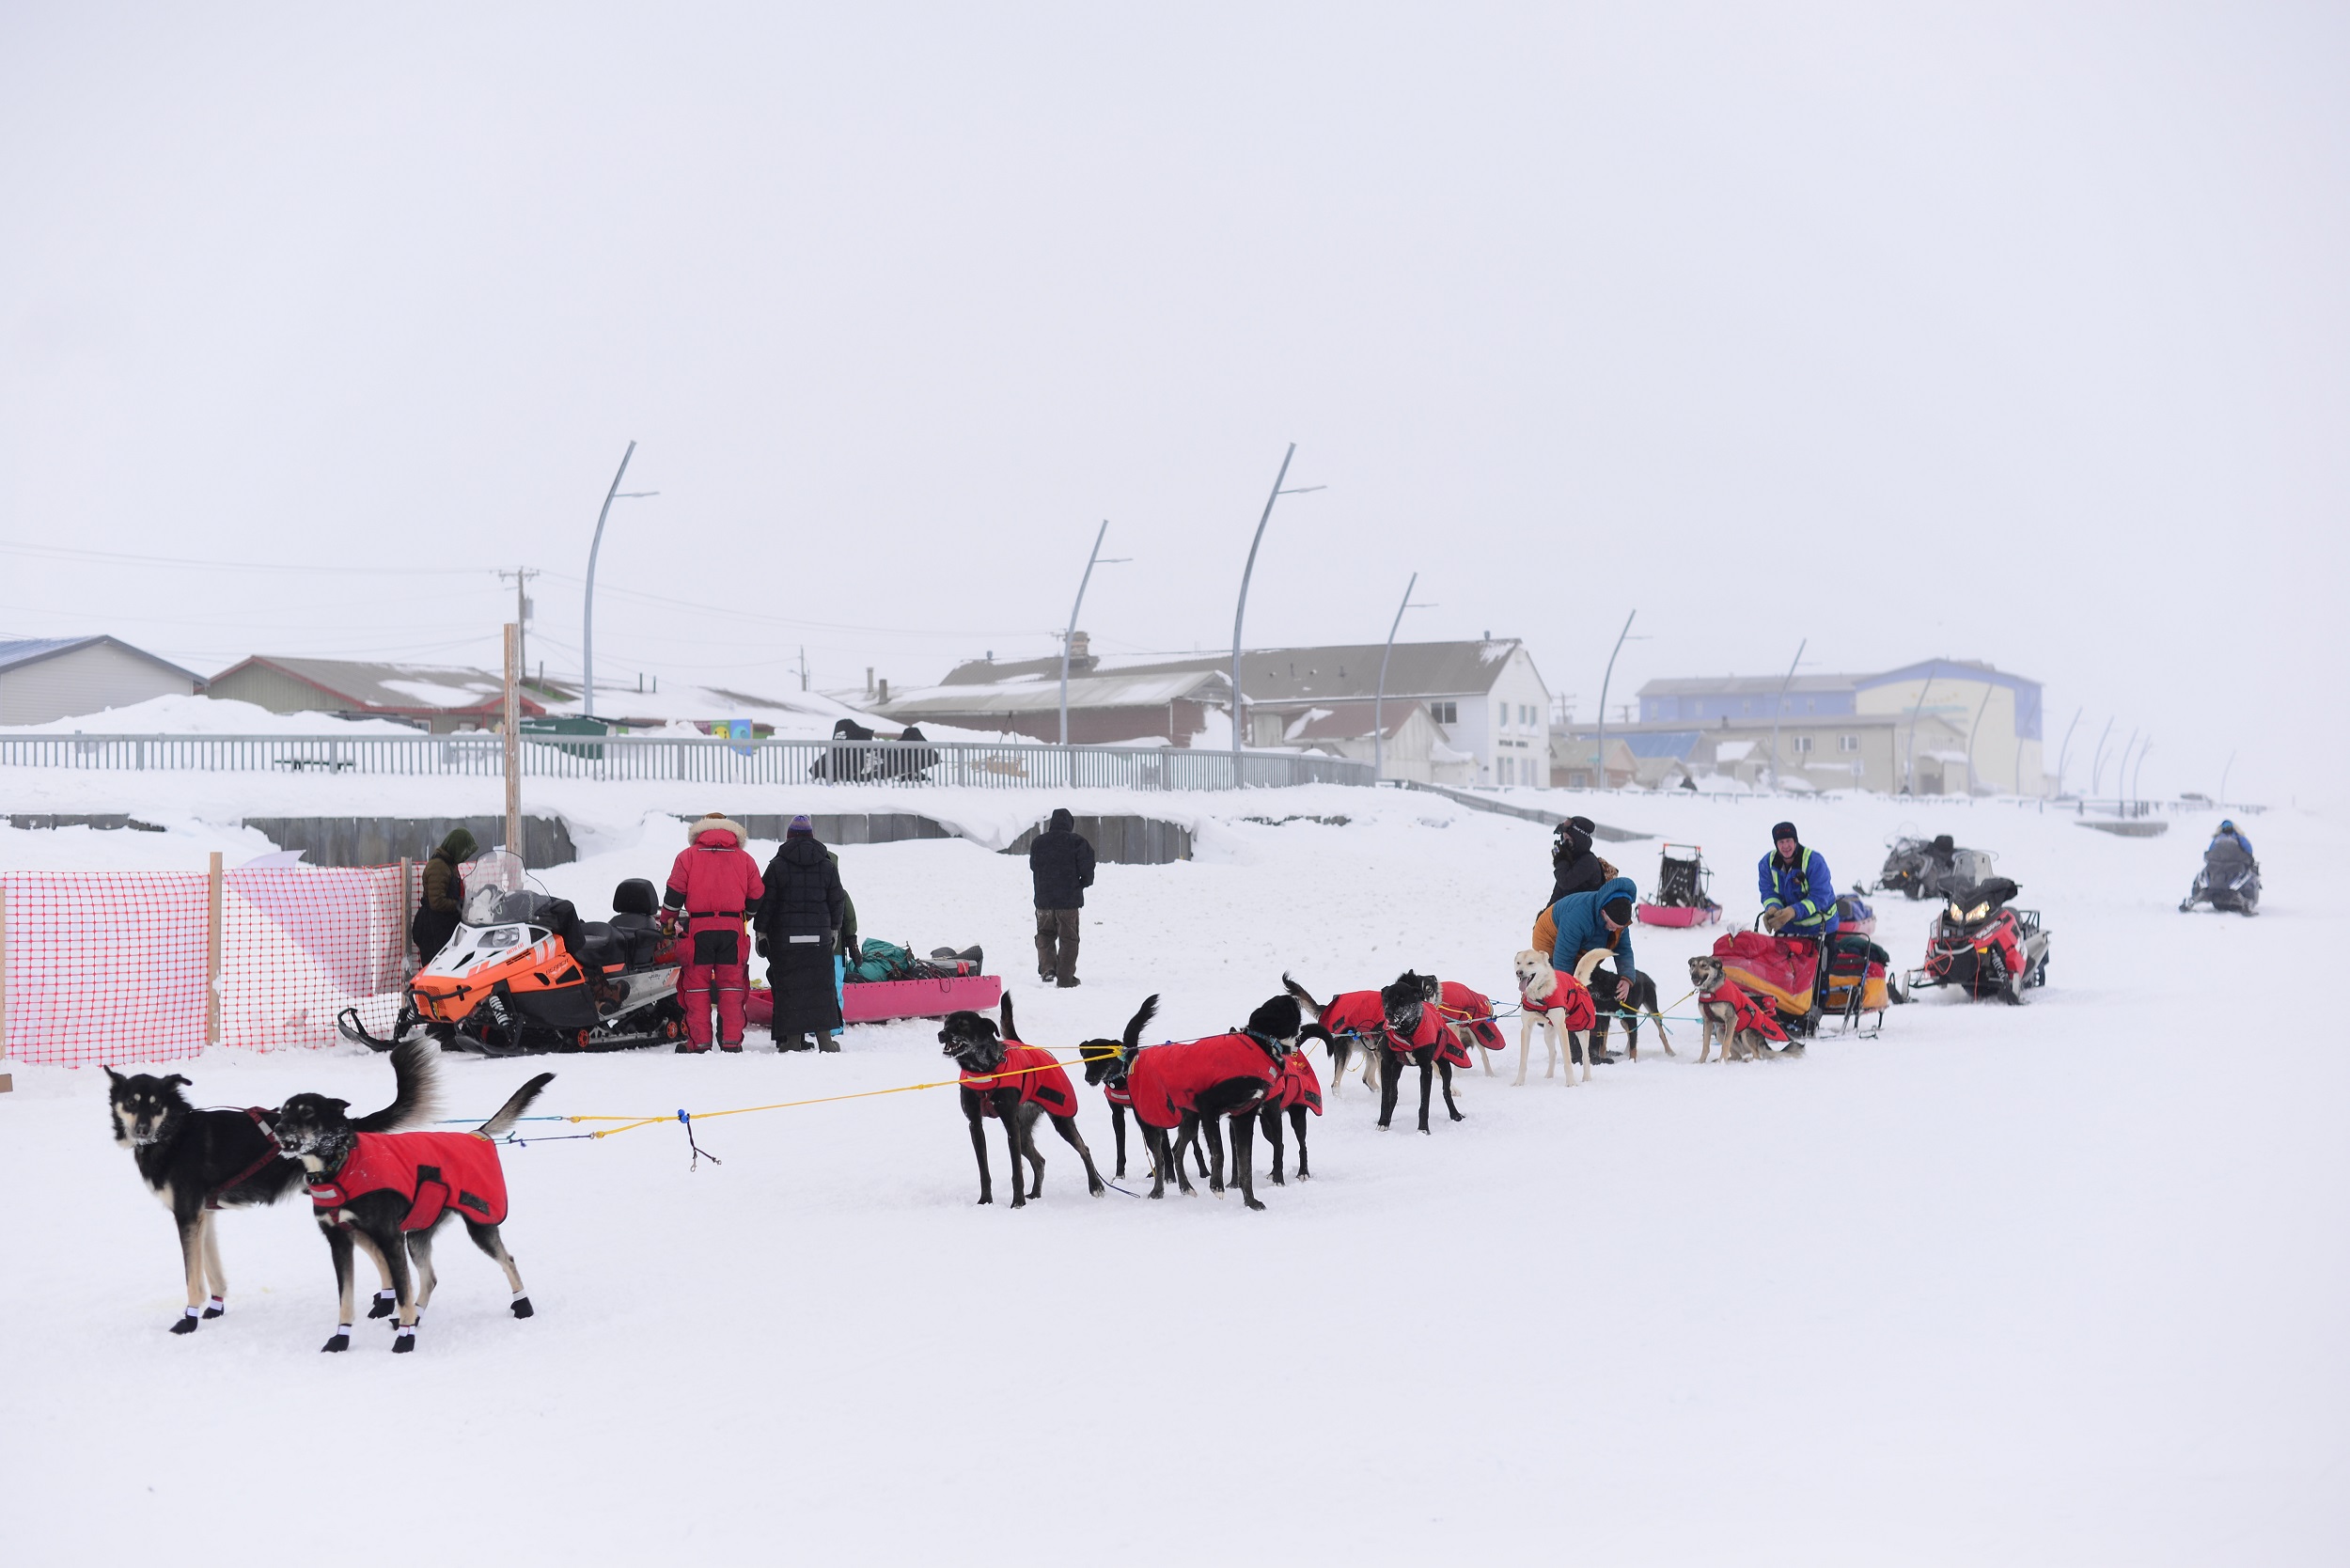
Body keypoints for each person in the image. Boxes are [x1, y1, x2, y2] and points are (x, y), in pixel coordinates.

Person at [663, 812, 766, 1055]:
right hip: (732, 930)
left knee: (696, 988)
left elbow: (673, 898)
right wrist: (746, 915)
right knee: (732, 987)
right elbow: (757, 895)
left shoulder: (687, 857)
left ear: (700, 832)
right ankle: (731, 1042)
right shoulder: (745, 859)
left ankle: (699, 1043)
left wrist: (668, 928)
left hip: (699, 930)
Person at [758, 814, 847, 1051]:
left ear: (789, 837)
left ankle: (793, 1042)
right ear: (811, 836)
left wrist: (762, 932)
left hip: (785, 941)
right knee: (821, 989)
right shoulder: (827, 865)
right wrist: (834, 929)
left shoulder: (777, 866)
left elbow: (766, 903)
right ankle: (825, 1042)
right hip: (818, 940)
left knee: (790, 989)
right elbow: (838, 900)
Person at [1546, 874, 1640, 1063]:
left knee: (1591, 992)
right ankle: (1578, 1054)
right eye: (1611, 926)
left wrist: (1626, 977)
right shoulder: (1578, 916)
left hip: (1585, 946)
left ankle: (1593, 1049)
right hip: (1552, 940)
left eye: (1617, 928)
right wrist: (1568, 992)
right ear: (1603, 913)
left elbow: (1624, 949)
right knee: (1574, 997)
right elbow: (1563, 958)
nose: (1613, 930)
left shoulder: (1619, 916)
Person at [1760, 821, 1839, 1025]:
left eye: (1789, 841)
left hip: (1820, 926)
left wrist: (1793, 911)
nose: (1785, 846)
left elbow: (1820, 897)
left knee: (1818, 971)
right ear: (1776, 844)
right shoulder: (1767, 863)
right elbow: (1768, 892)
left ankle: (1815, 1009)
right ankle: (1785, 1008)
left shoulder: (1814, 861)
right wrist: (1773, 909)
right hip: (1788, 928)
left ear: (1795, 841)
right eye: (1781, 842)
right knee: (1784, 970)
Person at [1029, 807, 1095, 988]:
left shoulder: (1038, 842)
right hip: (1068, 901)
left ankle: (1048, 969)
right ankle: (1066, 979)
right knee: (1068, 939)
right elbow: (1087, 868)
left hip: (1043, 902)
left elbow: (1034, 866)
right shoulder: (1077, 842)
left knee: (1044, 934)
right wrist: (1083, 883)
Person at [409, 826, 476, 965]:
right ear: (456, 848)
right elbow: (437, 902)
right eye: (464, 852)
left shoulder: (449, 864)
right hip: (434, 929)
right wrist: (459, 904)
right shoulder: (438, 867)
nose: (465, 857)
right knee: (436, 968)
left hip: (443, 926)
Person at [1546, 816, 1616, 904]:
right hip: (1567, 913)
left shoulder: (1588, 861)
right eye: (1563, 838)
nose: (1564, 842)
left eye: (1567, 838)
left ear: (1578, 838)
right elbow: (1559, 890)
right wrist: (1545, 914)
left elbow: (1565, 882)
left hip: (1582, 915)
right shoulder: (1571, 860)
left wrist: (1560, 857)